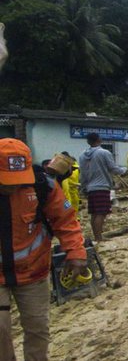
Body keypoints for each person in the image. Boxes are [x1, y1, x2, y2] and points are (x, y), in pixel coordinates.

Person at [0, 138, 88, 360]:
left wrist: (76, 252)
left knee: (38, 328)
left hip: (33, 272)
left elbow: (65, 221)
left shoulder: (42, 185)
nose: (12, 186)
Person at [79, 133, 127, 242]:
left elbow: (83, 174)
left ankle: (97, 236)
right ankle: (99, 238)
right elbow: (113, 168)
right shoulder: (104, 152)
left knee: (94, 213)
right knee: (101, 213)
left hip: (90, 188)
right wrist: (124, 170)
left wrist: (84, 187)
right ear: (99, 140)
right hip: (102, 187)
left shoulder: (82, 155)